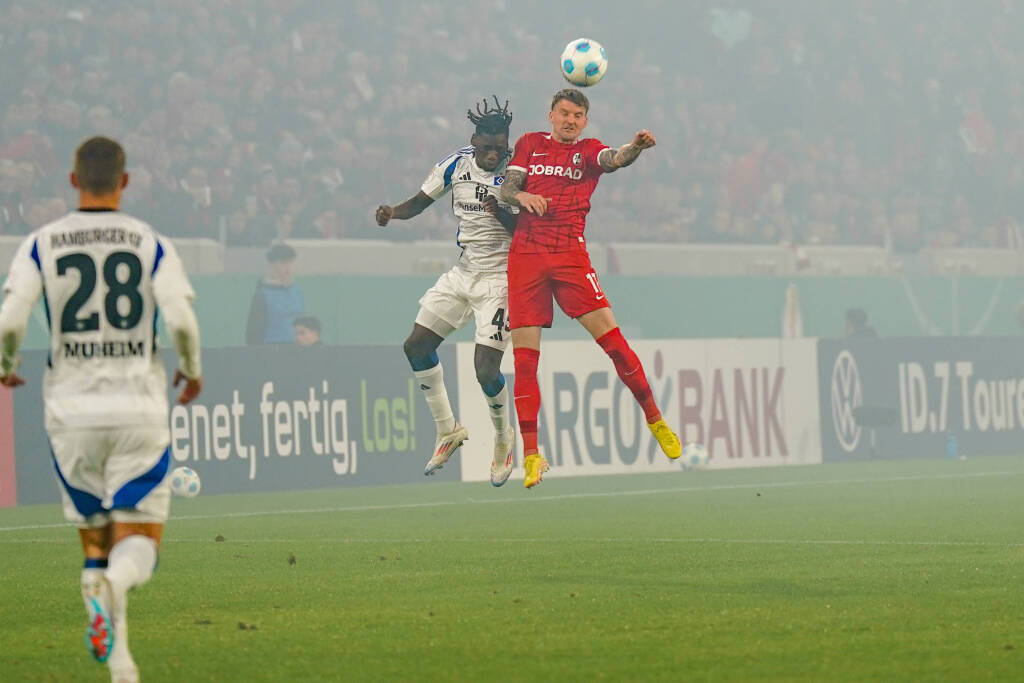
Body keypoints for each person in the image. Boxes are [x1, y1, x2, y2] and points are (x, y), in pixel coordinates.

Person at [0, 136, 202, 683]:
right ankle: (112, 589)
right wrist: (192, 366)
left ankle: (122, 667)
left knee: (96, 543)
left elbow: (11, 319)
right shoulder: (147, 241)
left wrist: (5, 362)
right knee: (138, 546)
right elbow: (180, 319)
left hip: (70, 412)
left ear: (72, 180)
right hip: (136, 408)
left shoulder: (42, 242)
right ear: (125, 181)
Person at [499, 88, 682, 488]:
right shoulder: (530, 144)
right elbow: (506, 190)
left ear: (585, 121)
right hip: (526, 258)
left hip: (569, 256)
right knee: (525, 361)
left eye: (578, 115)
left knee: (614, 344)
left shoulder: (587, 152)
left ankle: (656, 420)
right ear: (550, 115)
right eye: (564, 113)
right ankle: (532, 455)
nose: (570, 120)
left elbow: (613, 160)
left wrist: (635, 147)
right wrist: (524, 195)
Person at [376, 97, 519, 486]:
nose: (493, 155)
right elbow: (420, 202)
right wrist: (393, 212)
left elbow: (528, 235)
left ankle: (504, 439)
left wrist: (501, 211)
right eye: (486, 147)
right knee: (416, 347)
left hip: (502, 280)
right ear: (474, 140)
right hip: (464, 272)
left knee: (484, 370)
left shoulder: (518, 171)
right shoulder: (455, 164)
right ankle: (448, 429)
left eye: (499, 148)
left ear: (507, 144)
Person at [245, 241, 304, 345]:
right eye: (283, 262)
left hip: (295, 351)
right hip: (271, 352)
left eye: (290, 262)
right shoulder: (262, 296)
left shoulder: (297, 292)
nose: (288, 267)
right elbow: (253, 334)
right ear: (271, 265)